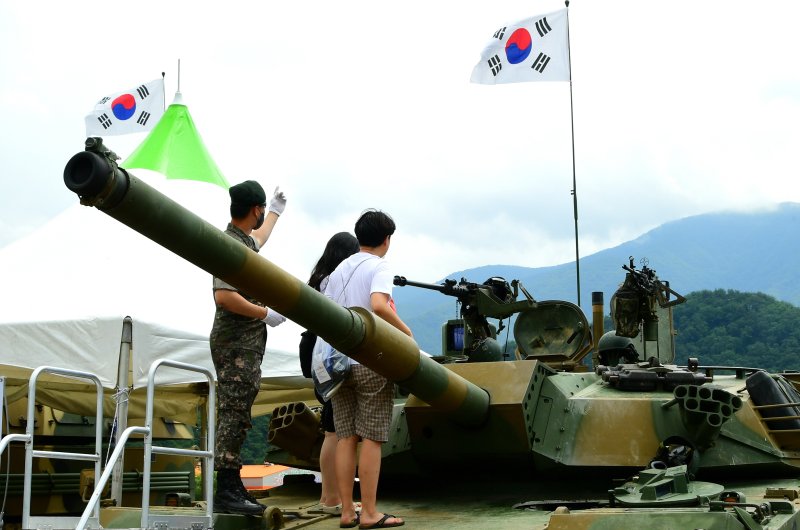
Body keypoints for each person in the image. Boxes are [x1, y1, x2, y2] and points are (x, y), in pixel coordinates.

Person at [325, 209, 410, 529]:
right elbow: (378, 304)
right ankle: (370, 513)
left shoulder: (337, 271)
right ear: (386, 240)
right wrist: (406, 333)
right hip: (370, 358)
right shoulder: (379, 265)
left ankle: (347, 512)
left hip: (337, 363)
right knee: (372, 438)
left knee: (346, 437)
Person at [210, 180, 287, 515]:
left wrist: (275, 212)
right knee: (233, 413)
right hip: (235, 346)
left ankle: (232, 482)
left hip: (245, 347)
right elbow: (224, 297)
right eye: (262, 211)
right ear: (253, 210)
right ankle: (226, 488)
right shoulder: (228, 245)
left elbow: (259, 237)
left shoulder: (240, 240)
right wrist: (264, 313)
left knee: (240, 415)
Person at [301, 232, 361, 516]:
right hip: (331, 356)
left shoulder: (317, 278)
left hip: (315, 356)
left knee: (330, 429)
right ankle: (333, 497)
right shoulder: (334, 281)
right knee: (335, 431)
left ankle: (329, 496)